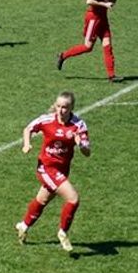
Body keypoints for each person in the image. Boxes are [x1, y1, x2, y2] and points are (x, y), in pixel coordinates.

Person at [14, 91, 91, 253]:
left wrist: (81, 145)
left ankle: (24, 225)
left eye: (65, 107)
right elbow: (28, 128)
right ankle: (63, 232)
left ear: (72, 108)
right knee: (73, 199)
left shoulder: (79, 125)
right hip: (46, 168)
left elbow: (87, 152)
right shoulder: (46, 120)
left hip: (62, 169)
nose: (61, 111)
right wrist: (26, 144)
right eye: (59, 106)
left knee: (42, 200)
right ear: (55, 106)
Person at [56, 0, 120, 83]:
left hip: (103, 18)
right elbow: (89, 0)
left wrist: (108, 1)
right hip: (94, 18)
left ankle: (112, 76)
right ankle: (63, 55)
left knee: (107, 45)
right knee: (87, 47)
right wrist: (105, 4)